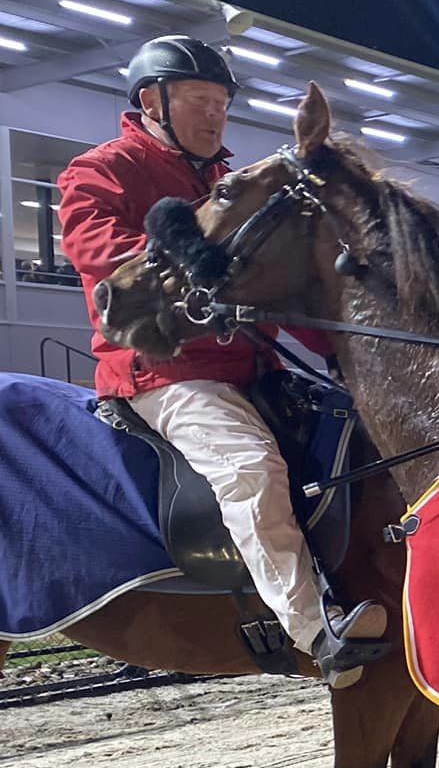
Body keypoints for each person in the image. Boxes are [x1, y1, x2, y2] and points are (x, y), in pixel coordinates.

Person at [58, 35, 388, 688]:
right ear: (152, 101)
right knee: (250, 468)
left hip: (250, 366)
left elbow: (267, 284)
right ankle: (317, 631)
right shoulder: (100, 171)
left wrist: (343, 351)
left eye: (222, 104)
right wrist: (182, 250)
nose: (215, 116)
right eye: (200, 101)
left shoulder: (224, 182)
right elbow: (105, 260)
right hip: (167, 374)